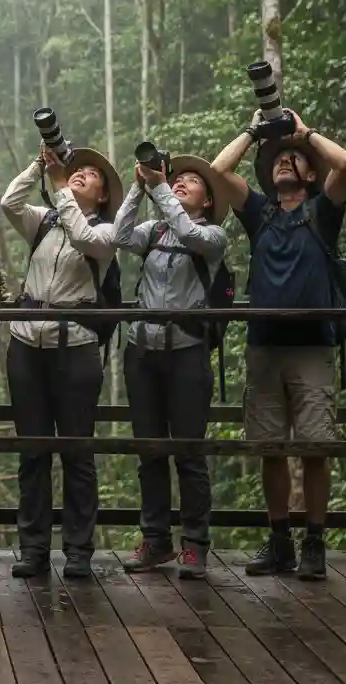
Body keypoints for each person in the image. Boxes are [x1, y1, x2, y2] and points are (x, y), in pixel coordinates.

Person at [211, 109, 346, 581]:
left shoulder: (322, 212)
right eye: (279, 159)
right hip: (266, 344)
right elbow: (218, 173)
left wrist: (304, 133)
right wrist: (255, 132)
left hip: (313, 346)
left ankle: (314, 541)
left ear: (311, 174)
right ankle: (280, 542)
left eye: (295, 160)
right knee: (270, 447)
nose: (285, 163)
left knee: (316, 448)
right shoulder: (261, 214)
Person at [0, 145, 121, 580]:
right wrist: (39, 163)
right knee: (32, 452)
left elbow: (84, 238)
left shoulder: (108, 232)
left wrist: (57, 185)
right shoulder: (44, 221)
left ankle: (77, 550)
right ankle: (32, 548)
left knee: (76, 451)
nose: (79, 175)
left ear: (104, 195)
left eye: (91, 175)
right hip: (27, 345)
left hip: (76, 349)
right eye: (77, 170)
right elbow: (9, 202)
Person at [114, 155, 229, 579]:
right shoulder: (154, 230)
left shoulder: (213, 235)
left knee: (189, 453)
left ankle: (195, 545)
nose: (180, 183)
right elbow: (120, 236)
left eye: (192, 182)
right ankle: (156, 541)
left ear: (208, 200)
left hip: (186, 352)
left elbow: (188, 231)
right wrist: (137, 187)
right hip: (142, 351)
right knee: (150, 452)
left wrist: (161, 188)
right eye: (177, 179)